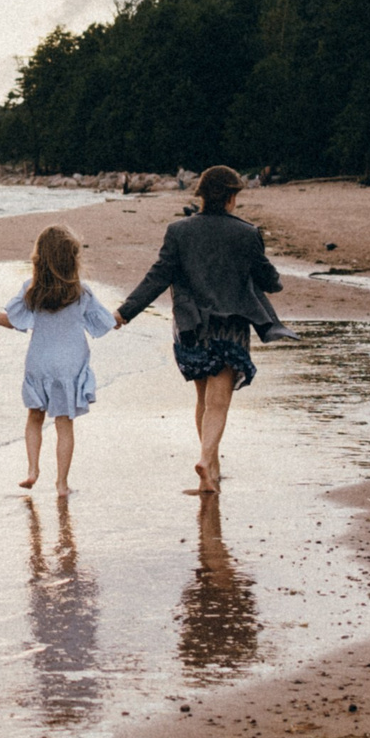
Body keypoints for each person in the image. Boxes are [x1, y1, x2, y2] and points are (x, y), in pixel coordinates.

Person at [115, 165, 293, 495]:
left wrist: (125, 312)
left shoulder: (178, 231)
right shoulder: (247, 234)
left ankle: (211, 466)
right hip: (230, 329)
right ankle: (206, 459)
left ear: (201, 196)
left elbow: (157, 278)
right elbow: (272, 282)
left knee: (203, 398)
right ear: (230, 197)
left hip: (190, 328)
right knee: (219, 402)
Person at [0, 224, 114, 495]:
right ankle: (62, 484)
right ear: (72, 259)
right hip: (70, 364)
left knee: (34, 417)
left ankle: (32, 470)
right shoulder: (81, 292)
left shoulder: (32, 291)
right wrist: (124, 315)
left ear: (39, 259)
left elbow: (10, 321)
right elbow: (104, 323)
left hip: (39, 361)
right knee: (64, 424)